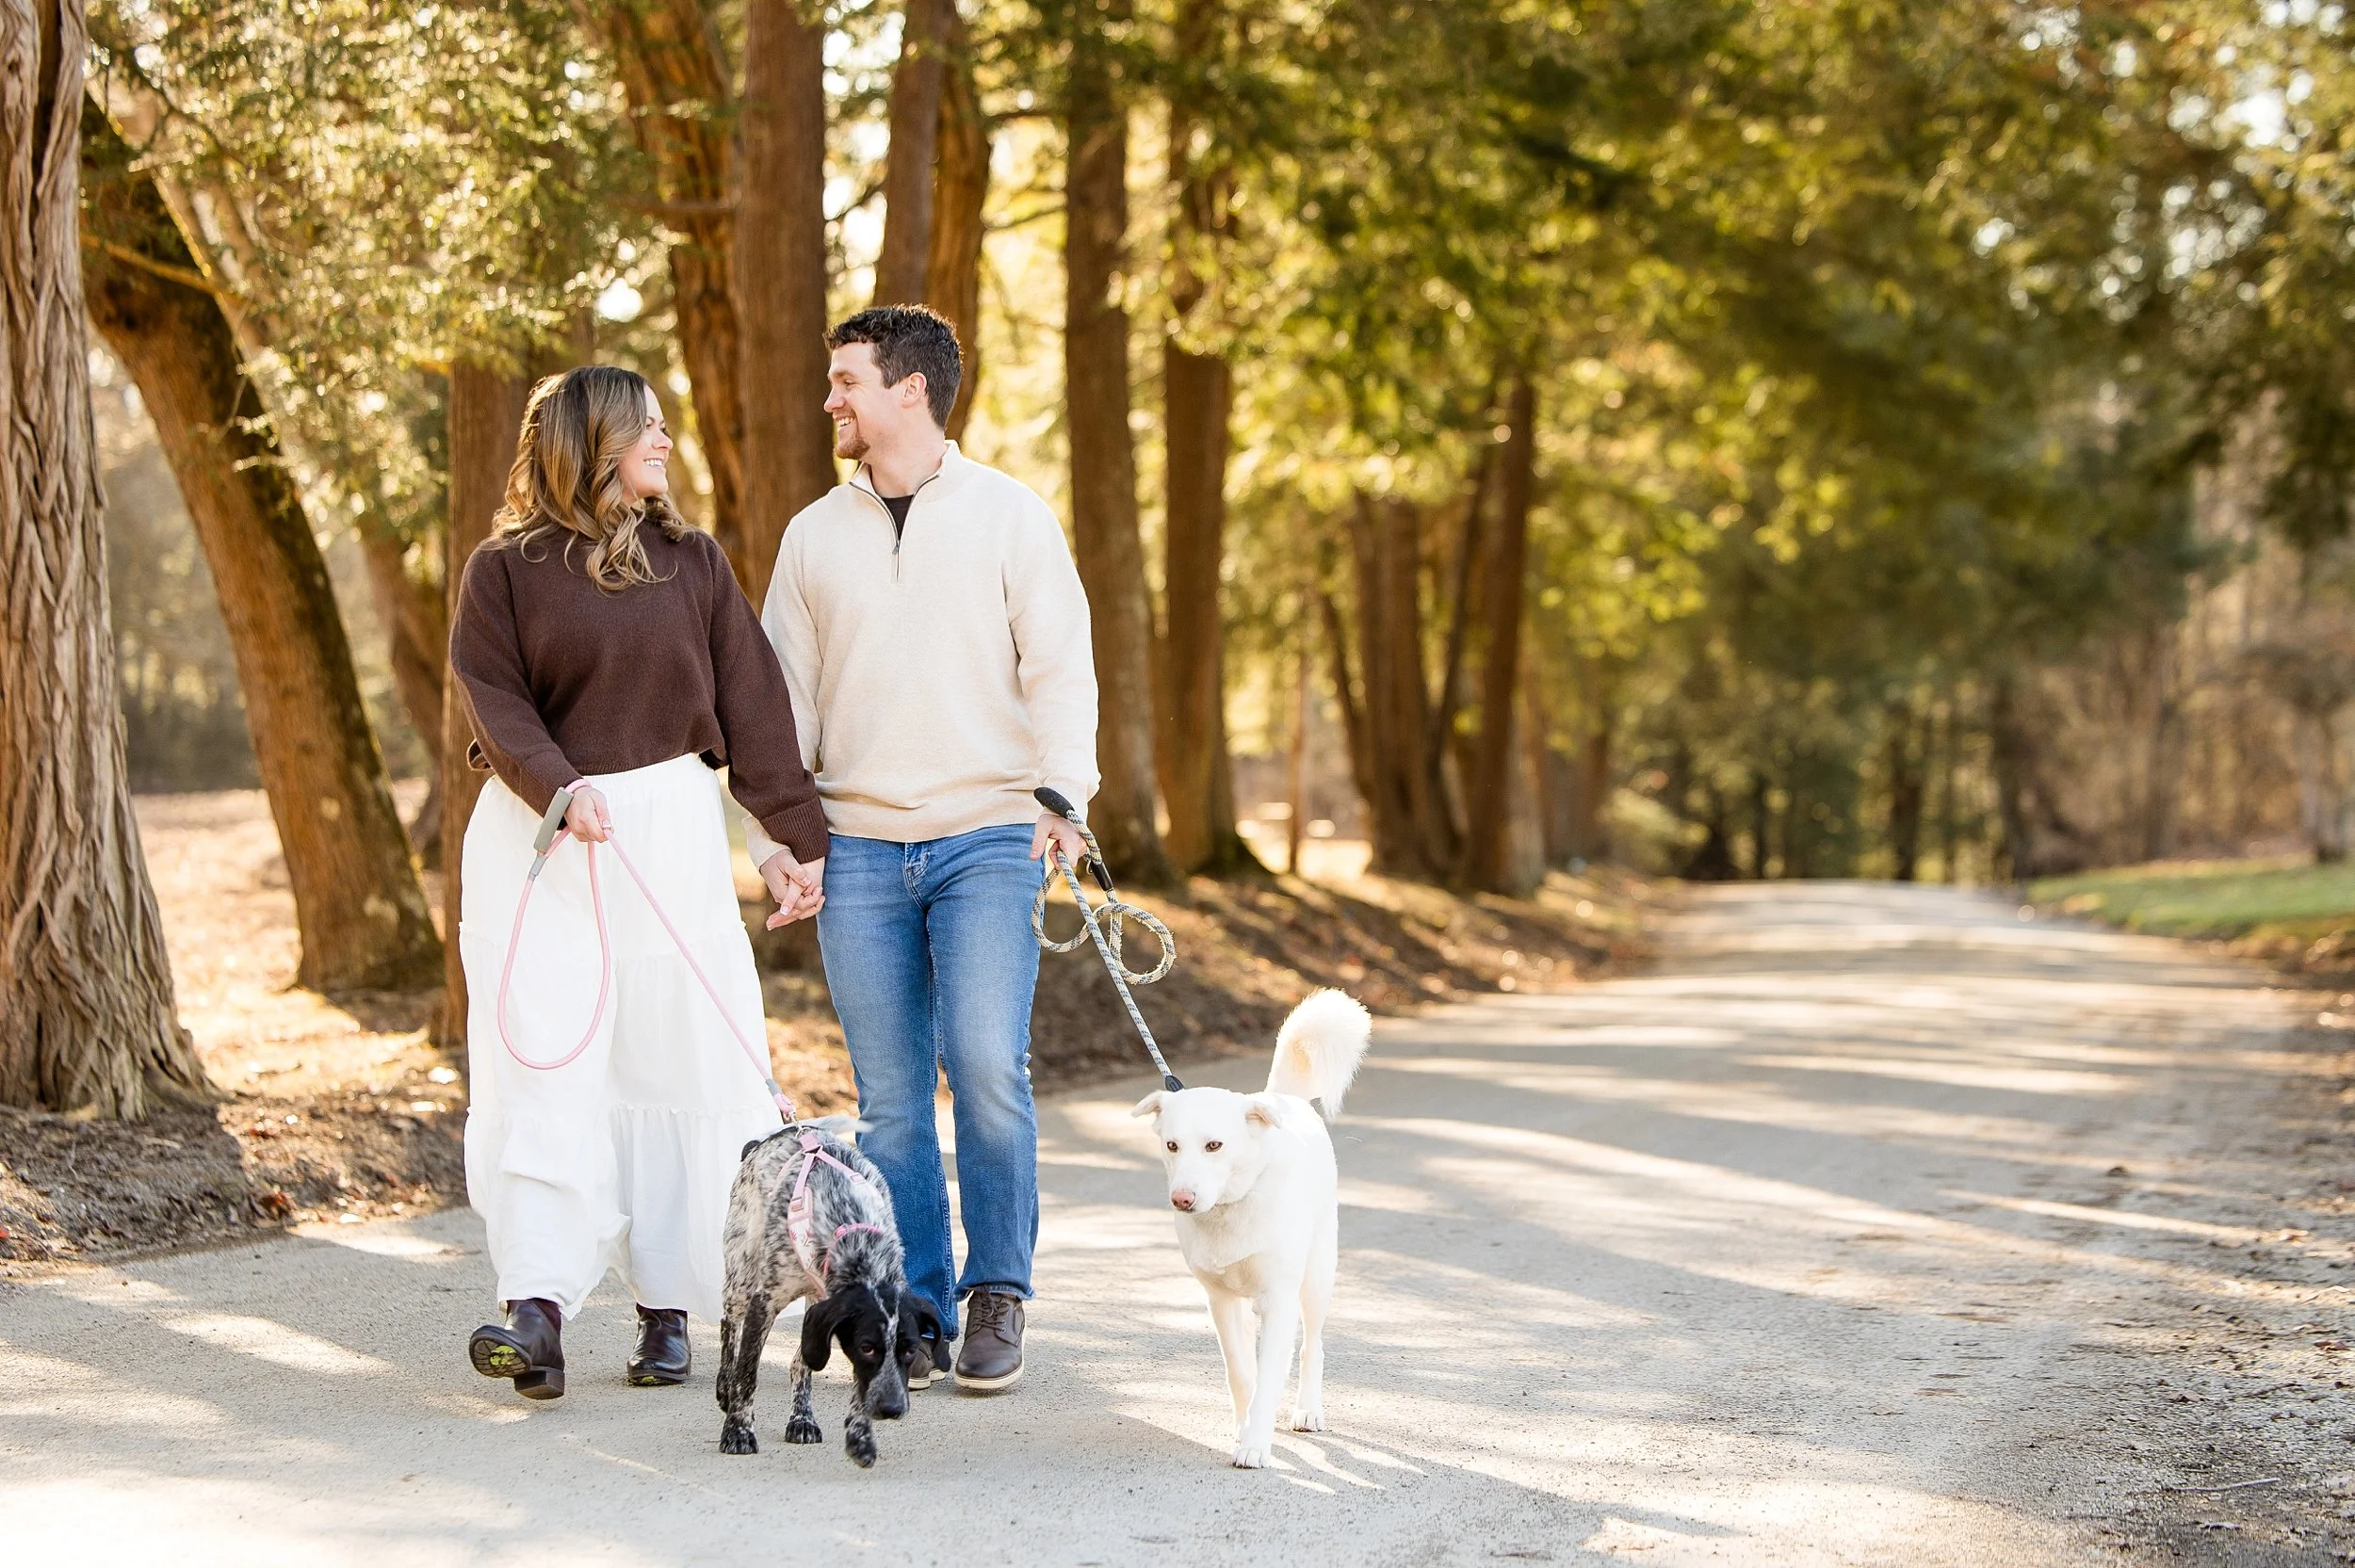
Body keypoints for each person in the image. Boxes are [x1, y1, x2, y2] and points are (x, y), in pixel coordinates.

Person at [449, 365, 830, 1401]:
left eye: (666, 424)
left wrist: (790, 840)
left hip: (667, 835)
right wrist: (558, 788)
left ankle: (669, 1309)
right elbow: (493, 700)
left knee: (679, 1068)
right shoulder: (505, 571)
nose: (666, 441)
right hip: (543, 844)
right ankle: (536, 1312)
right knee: (547, 1068)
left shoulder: (690, 561)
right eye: (646, 427)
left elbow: (752, 706)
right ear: (589, 442)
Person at [745, 305, 1096, 1393]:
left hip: (990, 832)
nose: (831, 400)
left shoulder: (1009, 515)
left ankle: (1000, 1293)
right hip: (855, 847)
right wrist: (775, 839)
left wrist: (1062, 796)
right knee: (890, 1099)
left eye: (847, 380)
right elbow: (777, 705)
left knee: (988, 1067)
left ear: (910, 390)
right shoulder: (812, 535)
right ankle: (916, 1305)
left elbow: (1060, 666)